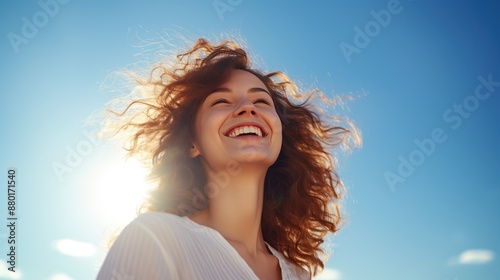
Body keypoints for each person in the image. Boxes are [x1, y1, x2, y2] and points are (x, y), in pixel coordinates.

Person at [96, 38, 360, 280]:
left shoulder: (297, 274)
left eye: (261, 101)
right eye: (221, 101)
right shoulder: (155, 238)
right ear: (192, 143)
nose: (248, 107)